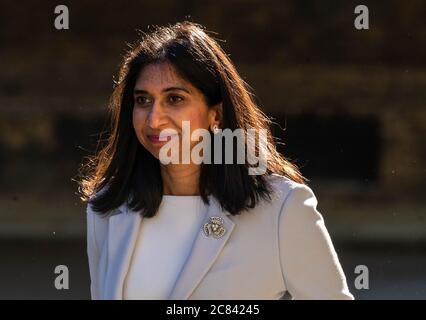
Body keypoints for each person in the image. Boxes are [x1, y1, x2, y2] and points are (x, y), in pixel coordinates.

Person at [77, 21, 354, 300]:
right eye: (142, 100)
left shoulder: (282, 209)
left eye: (174, 98)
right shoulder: (108, 207)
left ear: (216, 115)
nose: (154, 119)